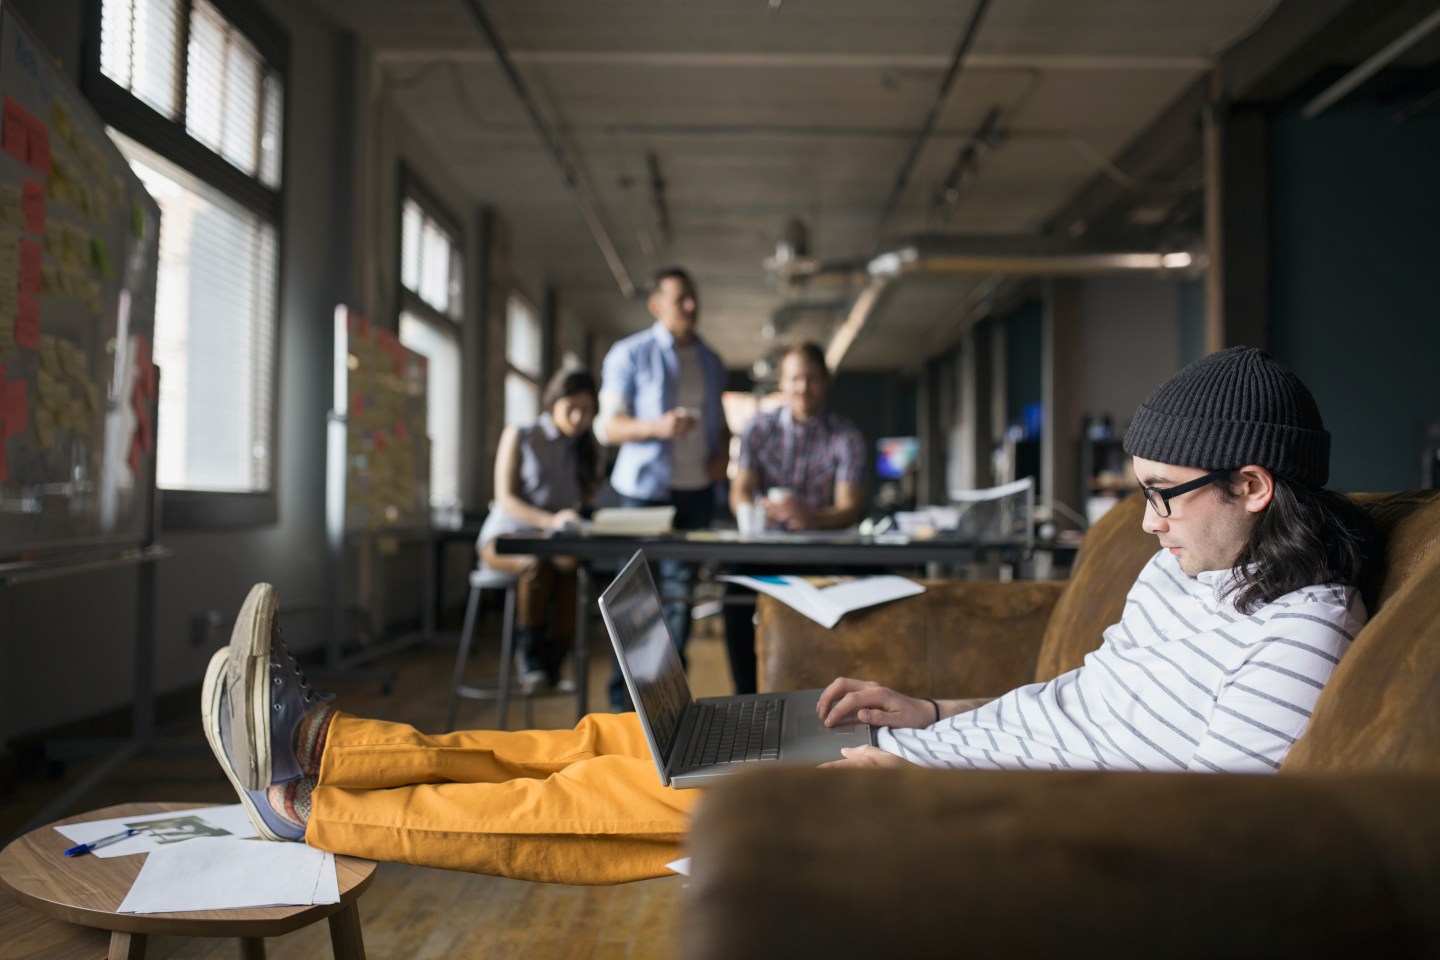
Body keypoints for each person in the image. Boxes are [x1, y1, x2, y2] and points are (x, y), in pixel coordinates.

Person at [201, 346, 1369, 885]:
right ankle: (329, 745)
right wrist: (936, 707)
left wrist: (930, 782)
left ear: (1252, 488)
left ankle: (313, 812)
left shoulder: (1299, 630)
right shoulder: (1182, 573)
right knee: (624, 741)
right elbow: (1081, 704)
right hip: (936, 753)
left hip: (962, 813)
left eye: (1163, 498)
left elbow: (1212, 841)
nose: (1147, 527)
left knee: (628, 796)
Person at [594, 266, 729, 709]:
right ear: (656, 306)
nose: (691, 306)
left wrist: (721, 453)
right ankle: (622, 706)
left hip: (696, 493)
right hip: (642, 494)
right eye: (680, 299)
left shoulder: (711, 360)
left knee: (680, 600)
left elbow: (719, 425)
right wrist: (659, 426)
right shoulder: (629, 353)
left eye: (694, 297)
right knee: (634, 604)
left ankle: (668, 703)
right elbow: (607, 427)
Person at [724, 341, 868, 692]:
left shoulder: (846, 437)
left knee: (857, 598)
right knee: (733, 596)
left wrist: (812, 518)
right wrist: (753, 514)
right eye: (795, 378)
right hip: (765, 552)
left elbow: (850, 508)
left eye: (812, 379)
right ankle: (746, 697)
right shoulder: (758, 428)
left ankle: (832, 694)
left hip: (822, 554)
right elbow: (739, 490)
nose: (803, 387)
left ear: (826, 381)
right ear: (783, 382)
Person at [475, 367, 602, 692]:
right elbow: (505, 499)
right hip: (504, 540)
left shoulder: (586, 450)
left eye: (587, 411)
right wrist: (549, 521)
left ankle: (554, 662)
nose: (578, 418)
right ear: (553, 403)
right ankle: (529, 660)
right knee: (535, 565)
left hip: (554, 543)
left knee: (573, 571)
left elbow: (585, 504)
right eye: (571, 408)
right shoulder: (521, 434)